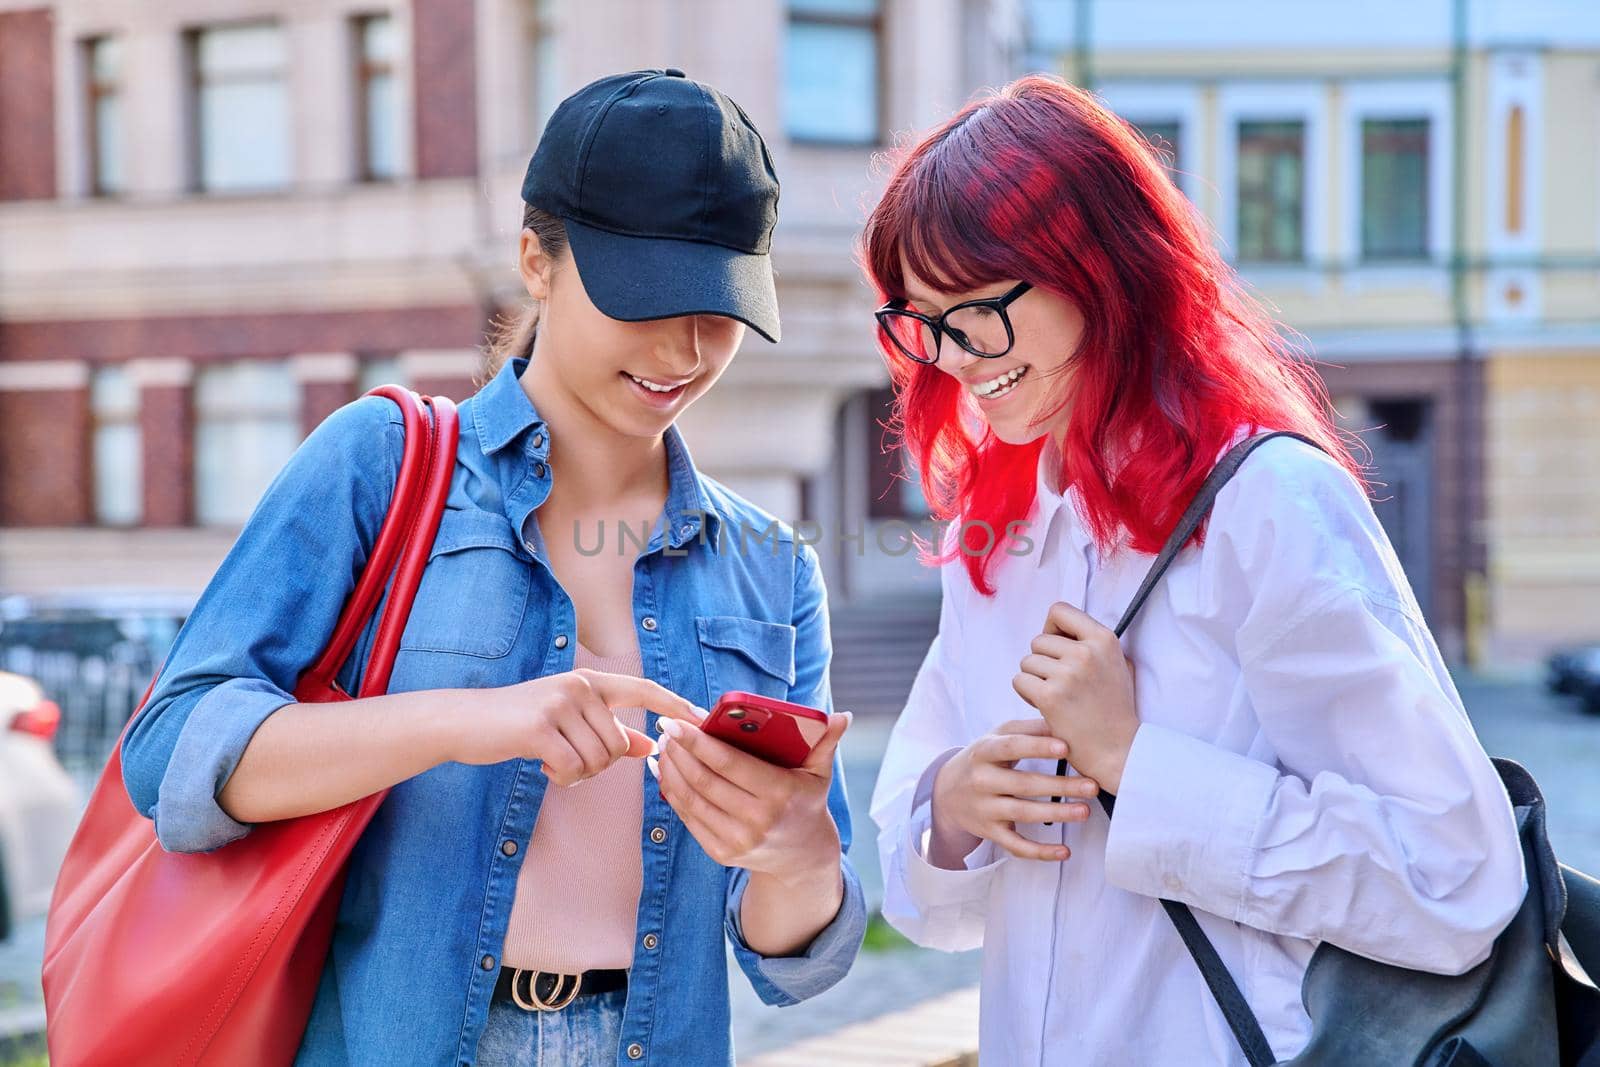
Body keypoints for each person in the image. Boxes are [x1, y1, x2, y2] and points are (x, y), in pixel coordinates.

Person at [122, 69, 865, 1066]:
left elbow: (790, 959)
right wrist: (470, 719)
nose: (685, 346)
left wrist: (798, 848)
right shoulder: (378, 467)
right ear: (536, 262)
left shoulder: (771, 567)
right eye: (645, 296)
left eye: (720, 303)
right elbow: (168, 753)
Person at [865, 75, 1526, 1065]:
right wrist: (954, 809)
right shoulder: (996, 531)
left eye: (978, 310)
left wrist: (1136, 763)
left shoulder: (1267, 504)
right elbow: (929, 905)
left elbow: (1455, 877)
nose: (952, 356)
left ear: (1097, 272)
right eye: (920, 317)